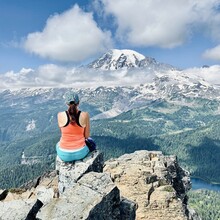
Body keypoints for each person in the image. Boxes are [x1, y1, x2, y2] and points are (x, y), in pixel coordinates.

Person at [56, 91, 91, 162]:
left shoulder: (60, 115)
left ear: (66, 103)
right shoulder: (85, 115)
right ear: (78, 103)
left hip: (64, 155)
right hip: (80, 153)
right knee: (91, 142)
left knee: (57, 144)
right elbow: (86, 136)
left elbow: (62, 133)